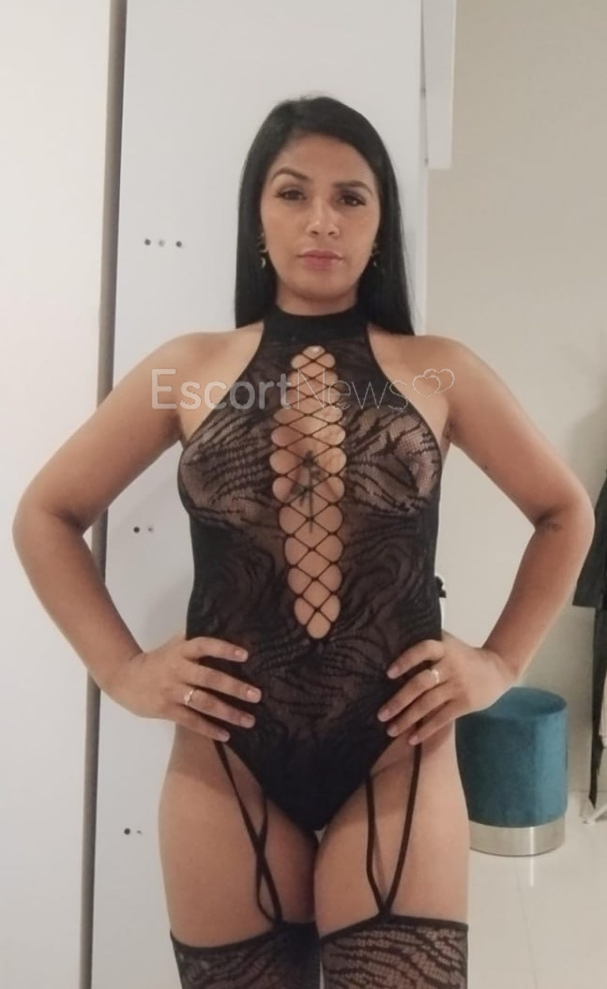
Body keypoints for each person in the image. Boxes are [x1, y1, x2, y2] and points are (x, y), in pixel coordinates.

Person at [12, 95, 595, 989]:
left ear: (380, 224)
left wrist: (498, 663)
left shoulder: (439, 369)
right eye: (292, 193)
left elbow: (564, 512)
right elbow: (45, 514)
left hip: (397, 752)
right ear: (257, 215)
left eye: (350, 197)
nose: (321, 219)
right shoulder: (184, 369)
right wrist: (122, 671)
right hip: (226, 764)